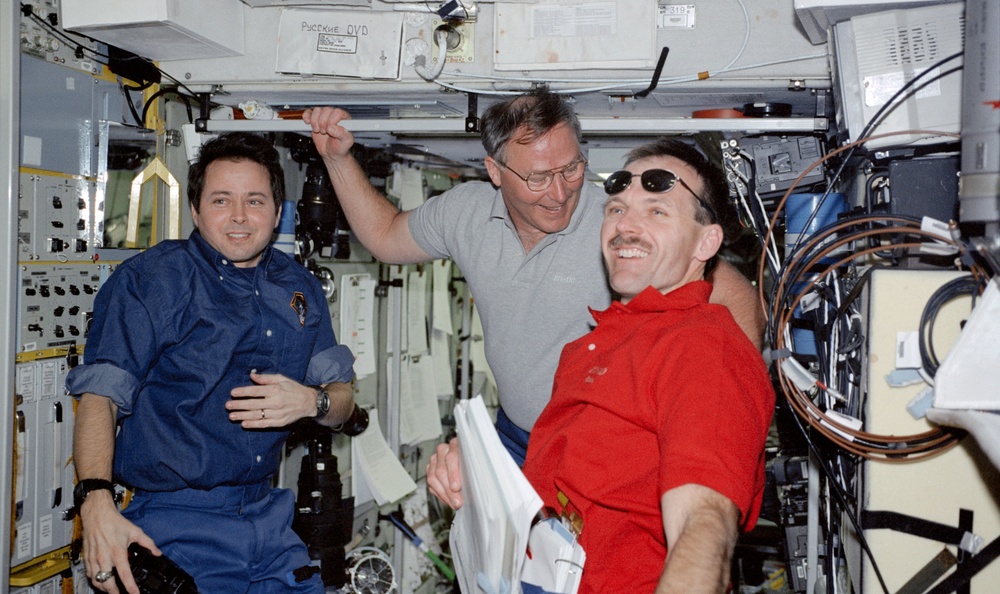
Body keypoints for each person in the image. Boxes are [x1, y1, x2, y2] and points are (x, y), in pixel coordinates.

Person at [303, 92, 764, 464]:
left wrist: (719, 420)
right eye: (539, 178)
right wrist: (339, 160)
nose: (560, 192)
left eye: (571, 169)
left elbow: (733, 295)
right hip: (515, 433)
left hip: (600, 447)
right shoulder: (466, 211)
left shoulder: (616, 221)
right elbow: (385, 236)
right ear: (495, 172)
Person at [427, 138, 775, 593]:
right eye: (616, 209)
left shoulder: (704, 349)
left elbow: (703, 522)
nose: (626, 226)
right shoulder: (593, 346)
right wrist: (481, 476)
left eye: (657, 212)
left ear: (706, 242)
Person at [66, 133, 357, 594]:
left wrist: (313, 401)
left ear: (277, 213)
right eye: (222, 200)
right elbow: (99, 397)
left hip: (270, 519)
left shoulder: (300, 288)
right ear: (196, 210)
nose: (240, 216)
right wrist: (96, 503)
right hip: (177, 526)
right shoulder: (151, 282)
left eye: (255, 201)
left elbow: (343, 404)